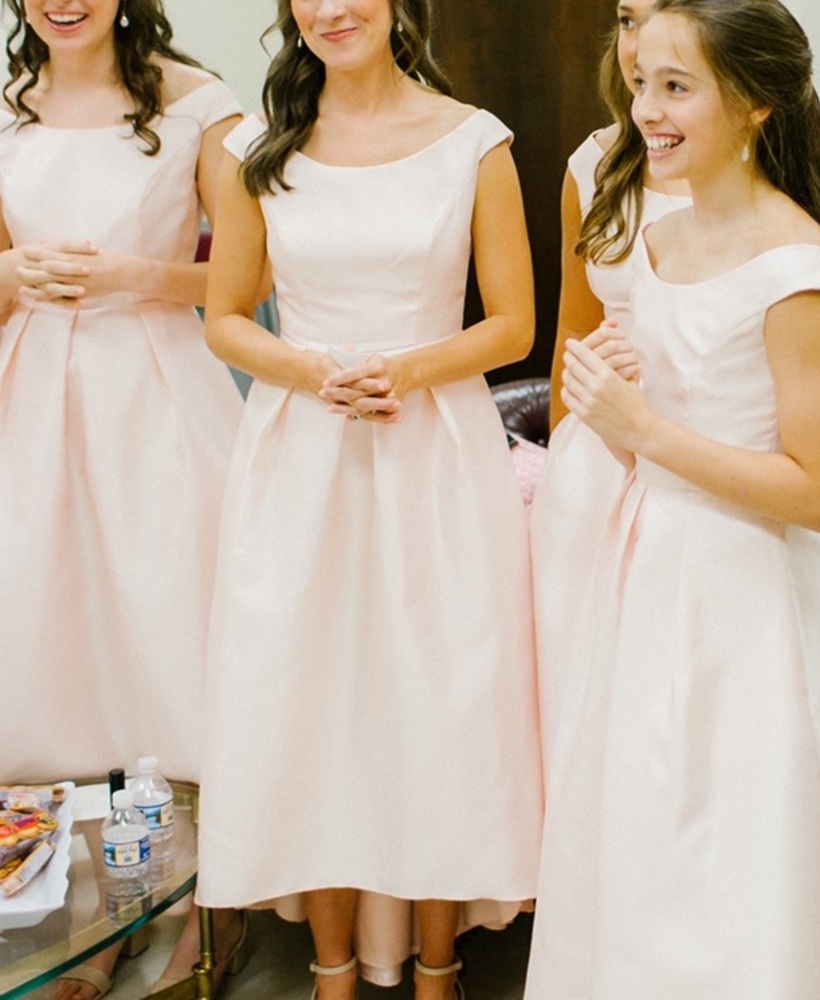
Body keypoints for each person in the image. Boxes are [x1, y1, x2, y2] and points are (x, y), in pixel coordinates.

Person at [524, 1, 820, 997]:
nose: (646, 109)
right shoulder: (664, 238)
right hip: (648, 567)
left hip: (746, 588)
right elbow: (652, 401)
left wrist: (643, 429)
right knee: (646, 823)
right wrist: (613, 390)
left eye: (677, 88)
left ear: (755, 104)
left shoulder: (792, 268)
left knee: (740, 842)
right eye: (641, 83)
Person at [194, 2, 543, 998]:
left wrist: (405, 368)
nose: (330, 9)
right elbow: (225, 318)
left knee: (438, 696)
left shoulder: (474, 142)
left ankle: (438, 967)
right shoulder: (260, 148)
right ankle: (332, 969)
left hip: (433, 448)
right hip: (301, 452)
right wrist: (315, 372)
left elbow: (514, 323)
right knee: (309, 699)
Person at [0, 1, 250, 996]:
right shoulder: (7, 107)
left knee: (167, 654)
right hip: (32, 393)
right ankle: (96, 918)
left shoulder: (198, 104)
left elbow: (251, 273)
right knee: (58, 659)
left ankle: (203, 909)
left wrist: (140, 273)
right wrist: (12, 269)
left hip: (153, 391)